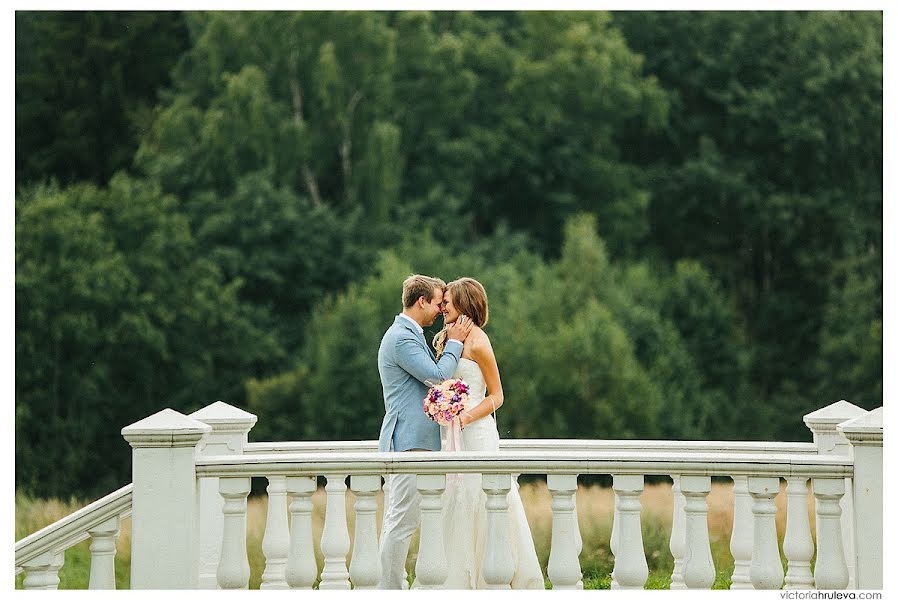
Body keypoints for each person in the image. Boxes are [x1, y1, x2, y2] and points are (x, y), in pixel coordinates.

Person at [430, 277, 544, 589]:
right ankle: (453, 578)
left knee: (480, 497)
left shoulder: (479, 342)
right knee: (456, 498)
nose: (442, 307)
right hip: (453, 435)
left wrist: (465, 417)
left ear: (464, 304)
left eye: (448, 302)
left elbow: (496, 396)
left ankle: (489, 576)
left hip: (476, 432)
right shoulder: (451, 340)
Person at [377, 274, 474, 589]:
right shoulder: (402, 338)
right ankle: (390, 590)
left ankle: (393, 585)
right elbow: (438, 375)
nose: (439, 311)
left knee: (401, 520)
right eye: (436, 303)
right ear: (421, 302)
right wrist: (457, 341)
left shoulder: (409, 333)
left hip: (412, 441)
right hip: (408, 442)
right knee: (401, 522)